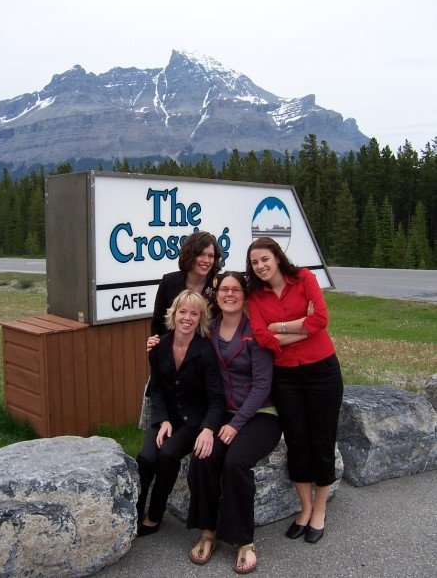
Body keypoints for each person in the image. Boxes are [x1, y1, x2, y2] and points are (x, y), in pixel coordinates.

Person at [245, 237, 343, 544]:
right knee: (297, 439)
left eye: (264, 259)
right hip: (285, 377)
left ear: (276, 256)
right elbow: (262, 338)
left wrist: (280, 327)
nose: (260, 266)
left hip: (321, 371)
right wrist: (302, 325)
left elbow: (322, 319)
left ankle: (320, 510)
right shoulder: (255, 296)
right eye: (254, 262)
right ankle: (305, 508)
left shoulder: (303, 278)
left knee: (322, 438)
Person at [186, 271, 282, 574]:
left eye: (236, 289)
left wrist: (236, 424)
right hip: (222, 413)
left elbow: (262, 386)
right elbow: (179, 339)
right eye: (224, 289)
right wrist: (156, 344)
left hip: (261, 415)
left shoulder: (256, 331)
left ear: (244, 295)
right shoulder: (209, 330)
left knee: (235, 463)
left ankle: (243, 541)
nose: (230, 294)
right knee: (203, 457)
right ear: (217, 294)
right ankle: (208, 531)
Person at [136, 290, 225, 537]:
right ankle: (134, 509)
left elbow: (216, 397)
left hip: (192, 420)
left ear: (200, 319)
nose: (187, 318)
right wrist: (162, 419)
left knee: (167, 454)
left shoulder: (205, 350)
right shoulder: (158, 346)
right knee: (146, 458)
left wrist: (208, 428)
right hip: (165, 416)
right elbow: (156, 388)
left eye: (194, 313)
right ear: (173, 314)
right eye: (182, 312)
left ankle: (154, 514)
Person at [150, 231, 222, 336]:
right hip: (173, 347)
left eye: (211, 256)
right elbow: (158, 323)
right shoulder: (169, 281)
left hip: (208, 348)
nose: (206, 260)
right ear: (190, 255)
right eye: (201, 254)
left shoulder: (218, 284)